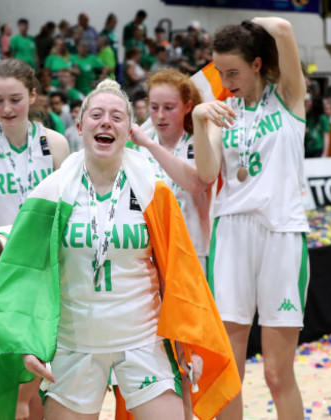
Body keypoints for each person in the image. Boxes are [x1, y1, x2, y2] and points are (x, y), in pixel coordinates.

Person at [0, 79, 240, 420]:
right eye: (97, 114)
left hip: (142, 339)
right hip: (75, 343)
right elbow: (25, 272)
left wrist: (184, 338)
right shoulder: (51, 193)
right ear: (80, 125)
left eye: (117, 116)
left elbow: (176, 271)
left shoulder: (153, 190)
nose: (106, 121)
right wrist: (29, 341)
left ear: (128, 130)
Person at [191, 18, 309, 420]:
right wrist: (199, 120)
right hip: (232, 234)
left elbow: (282, 27)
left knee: (278, 374)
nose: (226, 80)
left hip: (282, 232)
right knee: (229, 371)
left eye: (233, 72)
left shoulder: (290, 97)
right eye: (220, 72)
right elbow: (206, 175)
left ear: (257, 64)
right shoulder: (223, 111)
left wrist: (243, 26)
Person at [130, 69, 214, 419]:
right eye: (153, 108)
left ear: (188, 108)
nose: (160, 116)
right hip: (149, 263)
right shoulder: (139, 141)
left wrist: (149, 145)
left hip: (193, 256)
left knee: (192, 353)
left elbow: (197, 182)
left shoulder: (200, 141)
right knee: (159, 352)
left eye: (169, 108)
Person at [0, 58, 70, 228]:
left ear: (32, 95)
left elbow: (67, 214)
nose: (6, 109)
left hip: (46, 251)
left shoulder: (55, 144)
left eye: (15, 100)